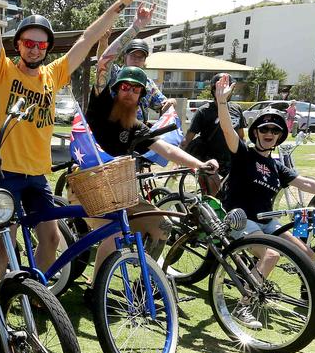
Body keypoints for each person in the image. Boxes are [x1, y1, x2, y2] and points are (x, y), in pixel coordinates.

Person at [0, 0, 143, 273]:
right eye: (28, 43)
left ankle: (32, 289)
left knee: (51, 238)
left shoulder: (54, 75)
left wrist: (120, 4)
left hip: (37, 174)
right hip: (4, 171)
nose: (35, 49)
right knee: (3, 244)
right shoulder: (2, 72)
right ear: (19, 45)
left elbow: (87, 38)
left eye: (41, 45)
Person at [212, 74, 315, 326]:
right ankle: (243, 305)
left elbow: (307, 183)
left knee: (307, 253)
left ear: (280, 137)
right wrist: (222, 103)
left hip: (267, 222)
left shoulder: (277, 166)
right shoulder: (244, 154)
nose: (269, 133)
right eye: (264, 129)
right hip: (241, 219)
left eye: (275, 130)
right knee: (271, 256)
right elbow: (227, 129)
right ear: (256, 132)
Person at [82, 65, 218, 271]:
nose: (130, 93)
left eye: (136, 90)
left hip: (122, 193)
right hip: (88, 188)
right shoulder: (101, 107)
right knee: (115, 232)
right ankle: (96, 290)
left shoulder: (136, 126)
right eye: (126, 87)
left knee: (163, 226)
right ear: (117, 89)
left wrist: (200, 164)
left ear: (141, 97)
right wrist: (104, 38)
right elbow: (103, 64)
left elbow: (168, 150)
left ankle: (146, 286)